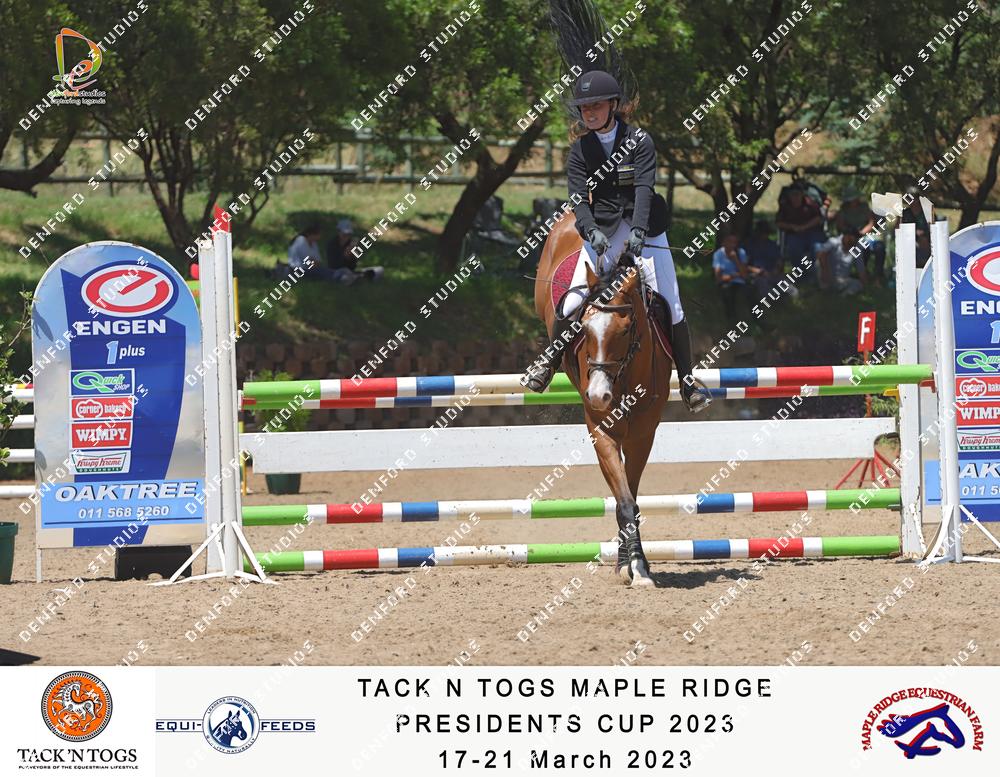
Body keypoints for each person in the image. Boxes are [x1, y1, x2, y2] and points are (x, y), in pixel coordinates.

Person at [520, 69, 711, 412]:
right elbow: (578, 198)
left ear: (612, 105)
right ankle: (549, 362)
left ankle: (687, 381)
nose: (589, 112)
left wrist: (638, 230)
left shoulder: (640, 141)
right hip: (602, 229)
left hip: (646, 227)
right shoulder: (581, 150)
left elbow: (644, 189)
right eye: (584, 107)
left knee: (671, 303)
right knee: (571, 300)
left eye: (596, 106)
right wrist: (589, 229)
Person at [833, 185, 885, 283]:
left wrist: (861, 233)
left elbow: (871, 223)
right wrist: (849, 231)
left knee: (879, 247)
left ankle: (878, 277)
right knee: (858, 250)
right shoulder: (843, 210)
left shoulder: (864, 207)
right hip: (850, 237)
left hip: (865, 235)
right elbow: (840, 225)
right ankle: (861, 276)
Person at [776, 181, 826, 280]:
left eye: (797, 194)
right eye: (792, 195)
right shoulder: (785, 206)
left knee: (817, 247)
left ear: (802, 194)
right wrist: (792, 227)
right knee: (794, 248)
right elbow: (779, 223)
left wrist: (804, 227)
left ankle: (815, 273)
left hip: (812, 232)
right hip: (794, 234)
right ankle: (800, 273)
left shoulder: (810, 204)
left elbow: (818, 218)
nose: (795, 197)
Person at [712, 232, 758, 325]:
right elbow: (719, 277)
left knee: (751, 292)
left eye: (735, 242)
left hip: (740, 282)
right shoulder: (718, 254)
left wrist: (736, 259)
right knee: (728, 293)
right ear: (724, 242)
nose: (732, 245)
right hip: (727, 282)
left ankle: (758, 320)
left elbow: (744, 275)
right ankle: (732, 321)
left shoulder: (741, 252)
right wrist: (734, 275)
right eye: (730, 242)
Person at [288, 224, 355, 283]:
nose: (319, 237)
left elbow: (318, 260)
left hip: (309, 268)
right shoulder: (301, 241)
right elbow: (307, 261)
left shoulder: (314, 244)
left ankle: (344, 274)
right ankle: (342, 277)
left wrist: (314, 263)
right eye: (317, 235)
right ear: (310, 234)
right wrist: (314, 263)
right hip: (298, 269)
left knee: (323, 270)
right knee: (321, 272)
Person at [817, 229, 869, 294]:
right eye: (850, 239)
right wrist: (825, 271)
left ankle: (843, 295)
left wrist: (865, 285)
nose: (853, 242)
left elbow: (861, 269)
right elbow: (821, 255)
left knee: (858, 284)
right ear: (846, 236)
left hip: (842, 280)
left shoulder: (856, 248)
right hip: (826, 276)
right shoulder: (833, 242)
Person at [744, 220, 784, 297]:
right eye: (762, 233)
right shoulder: (749, 245)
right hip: (757, 274)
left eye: (766, 233)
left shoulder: (772, 245)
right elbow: (744, 265)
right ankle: (771, 299)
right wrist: (757, 271)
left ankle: (793, 298)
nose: (764, 235)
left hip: (772, 272)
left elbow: (779, 260)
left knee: (787, 286)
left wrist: (776, 269)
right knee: (763, 284)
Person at [901, 187, 932, 267]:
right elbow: (898, 229)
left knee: (923, 241)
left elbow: (932, 229)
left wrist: (922, 234)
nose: (910, 201)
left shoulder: (927, 213)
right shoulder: (904, 213)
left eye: (912, 198)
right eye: (908, 198)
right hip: (908, 241)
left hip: (925, 241)